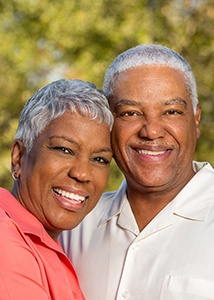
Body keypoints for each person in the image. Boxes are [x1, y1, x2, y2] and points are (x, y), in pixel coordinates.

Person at [60, 44, 214, 300]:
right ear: (108, 123)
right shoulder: (74, 225)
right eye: (130, 113)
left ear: (195, 120)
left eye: (171, 112)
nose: (151, 131)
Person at [0, 79, 113, 299]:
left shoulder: (48, 245)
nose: (82, 173)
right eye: (64, 149)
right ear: (19, 157)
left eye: (99, 159)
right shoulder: (5, 242)